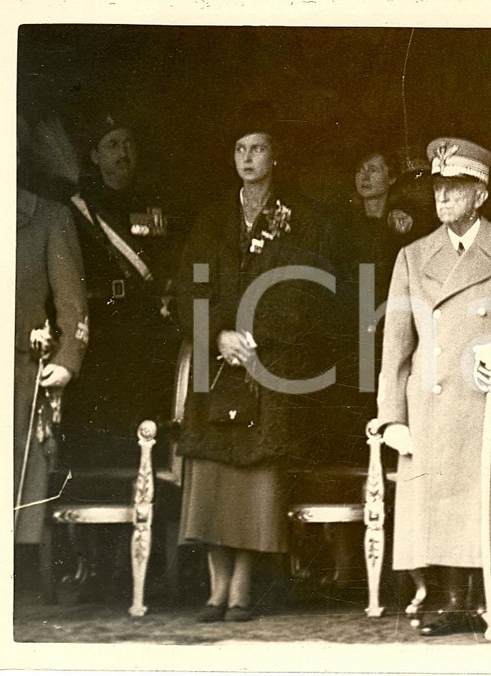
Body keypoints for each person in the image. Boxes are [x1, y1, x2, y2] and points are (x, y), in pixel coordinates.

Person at [377, 137, 491, 636]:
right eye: (438, 186)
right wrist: (392, 417)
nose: (442, 195)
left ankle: (489, 601)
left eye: (456, 187)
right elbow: (396, 347)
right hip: (434, 407)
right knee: (443, 504)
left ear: (480, 195)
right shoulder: (413, 257)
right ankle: (454, 600)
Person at [175, 113, 336, 622]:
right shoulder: (212, 219)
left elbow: (307, 291)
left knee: (252, 477)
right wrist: (218, 335)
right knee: (212, 473)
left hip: (270, 363)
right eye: (240, 149)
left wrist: (254, 335)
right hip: (217, 362)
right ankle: (216, 586)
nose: (247, 158)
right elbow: (190, 286)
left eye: (258, 148)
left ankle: (242, 585)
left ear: (276, 156)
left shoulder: (302, 217)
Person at [62, 113, 183, 470]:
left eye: (128, 143)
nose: (123, 153)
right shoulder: (79, 208)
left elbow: (174, 258)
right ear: (95, 156)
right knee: (100, 417)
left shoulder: (158, 199)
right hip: (103, 324)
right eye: (112, 145)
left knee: (144, 414)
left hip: (147, 323)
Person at [14, 115, 89, 588]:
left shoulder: (48, 217)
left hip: (19, 374)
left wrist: (67, 359)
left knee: (17, 482)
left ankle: (17, 576)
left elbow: (71, 303)